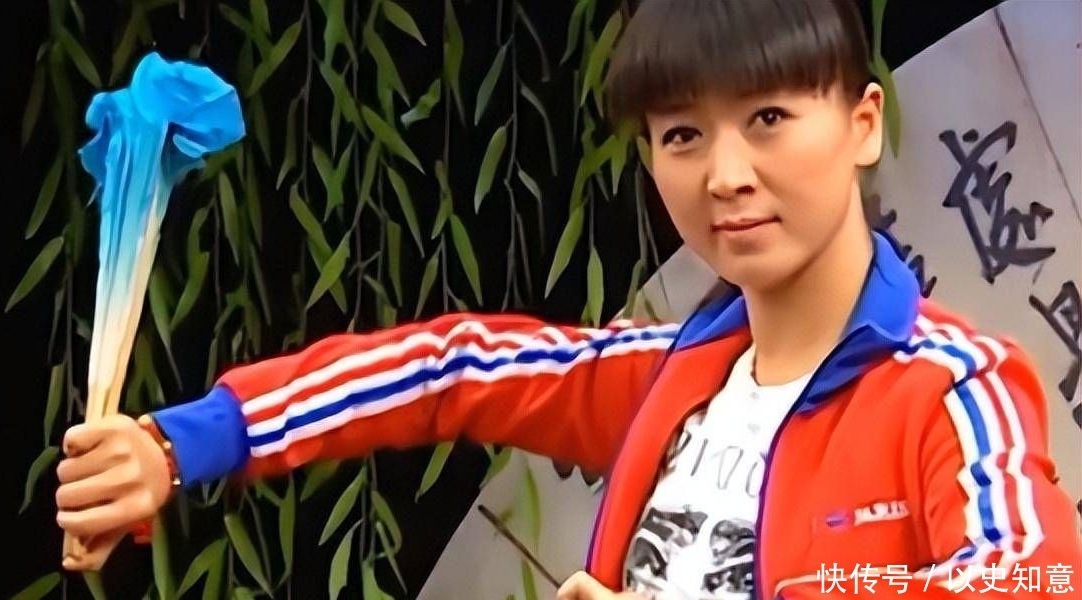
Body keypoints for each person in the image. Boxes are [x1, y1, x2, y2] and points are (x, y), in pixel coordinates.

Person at [54, 0, 1082, 598]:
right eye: (682, 135)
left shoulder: (955, 388)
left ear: (861, 123)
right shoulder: (669, 379)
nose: (726, 174)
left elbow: (1026, 577)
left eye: (769, 117)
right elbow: (447, 369)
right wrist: (176, 444)